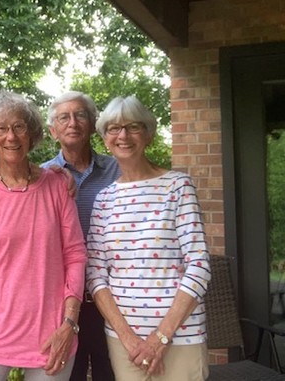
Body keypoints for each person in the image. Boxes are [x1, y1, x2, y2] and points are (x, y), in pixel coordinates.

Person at [0, 90, 87, 381]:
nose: (11, 137)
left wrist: (69, 323)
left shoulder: (57, 185)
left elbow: (75, 255)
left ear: (31, 133)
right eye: (1, 128)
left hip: (52, 333)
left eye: (19, 127)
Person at [86, 96, 211, 381]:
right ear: (105, 138)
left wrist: (160, 337)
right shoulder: (104, 200)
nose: (123, 135)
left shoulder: (178, 186)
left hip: (180, 338)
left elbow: (199, 266)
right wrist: (128, 338)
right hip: (124, 344)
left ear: (149, 134)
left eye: (133, 127)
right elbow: (95, 274)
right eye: (114, 128)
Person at [42, 91, 120, 381]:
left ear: (92, 124)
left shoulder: (119, 170)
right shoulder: (43, 178)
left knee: (110, 373)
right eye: (64, 117)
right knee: (68, 374)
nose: (72, 123)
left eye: (80, 115)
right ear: (53, 131)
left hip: (113, 296)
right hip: (63, 302)